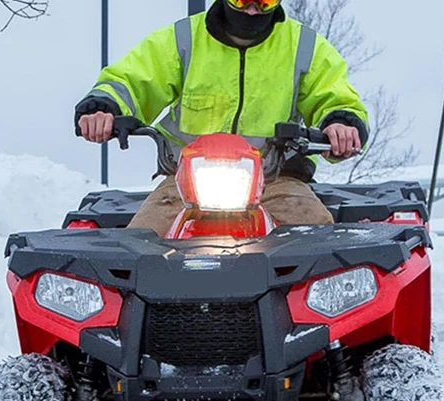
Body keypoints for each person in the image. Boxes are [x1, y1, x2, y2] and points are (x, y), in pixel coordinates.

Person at [75, 0, 369, 237]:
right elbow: (133, 80)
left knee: (316, 243)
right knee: (140, 246)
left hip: (277, 180)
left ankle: (309, 310)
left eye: (264, 2)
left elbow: (335, 94)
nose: (252, 9)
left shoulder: (304, 46)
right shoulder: (182, 40)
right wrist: (103, 106)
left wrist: (341, 124)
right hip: (184, 181)